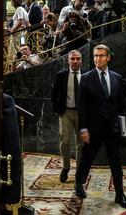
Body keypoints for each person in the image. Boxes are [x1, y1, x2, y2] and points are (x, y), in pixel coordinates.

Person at [74, 44, 126, 209]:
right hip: (93, 129)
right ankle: (79, 184)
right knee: (86, 160)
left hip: (112, 129)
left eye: (101, 56)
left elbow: (121, 106)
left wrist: (122, 128)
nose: (97, 59)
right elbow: (82, 107)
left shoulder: (117, 78)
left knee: (116, 162)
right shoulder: (85, 78)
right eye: (95, 56)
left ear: (108, 57)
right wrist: (83, 129)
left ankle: (120, 195)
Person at [51, 50, 84, 183]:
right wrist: (58, 110)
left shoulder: (86, 75)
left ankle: (80, 170)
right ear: (68, 60)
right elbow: (54, 94)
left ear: (81, 60)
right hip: (66, 113)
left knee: (81, 144)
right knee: (65, 142)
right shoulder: (62, 75)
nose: (75, 61)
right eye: (72, 59)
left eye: (77, 58)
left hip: (81, 114)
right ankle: (65, 167)